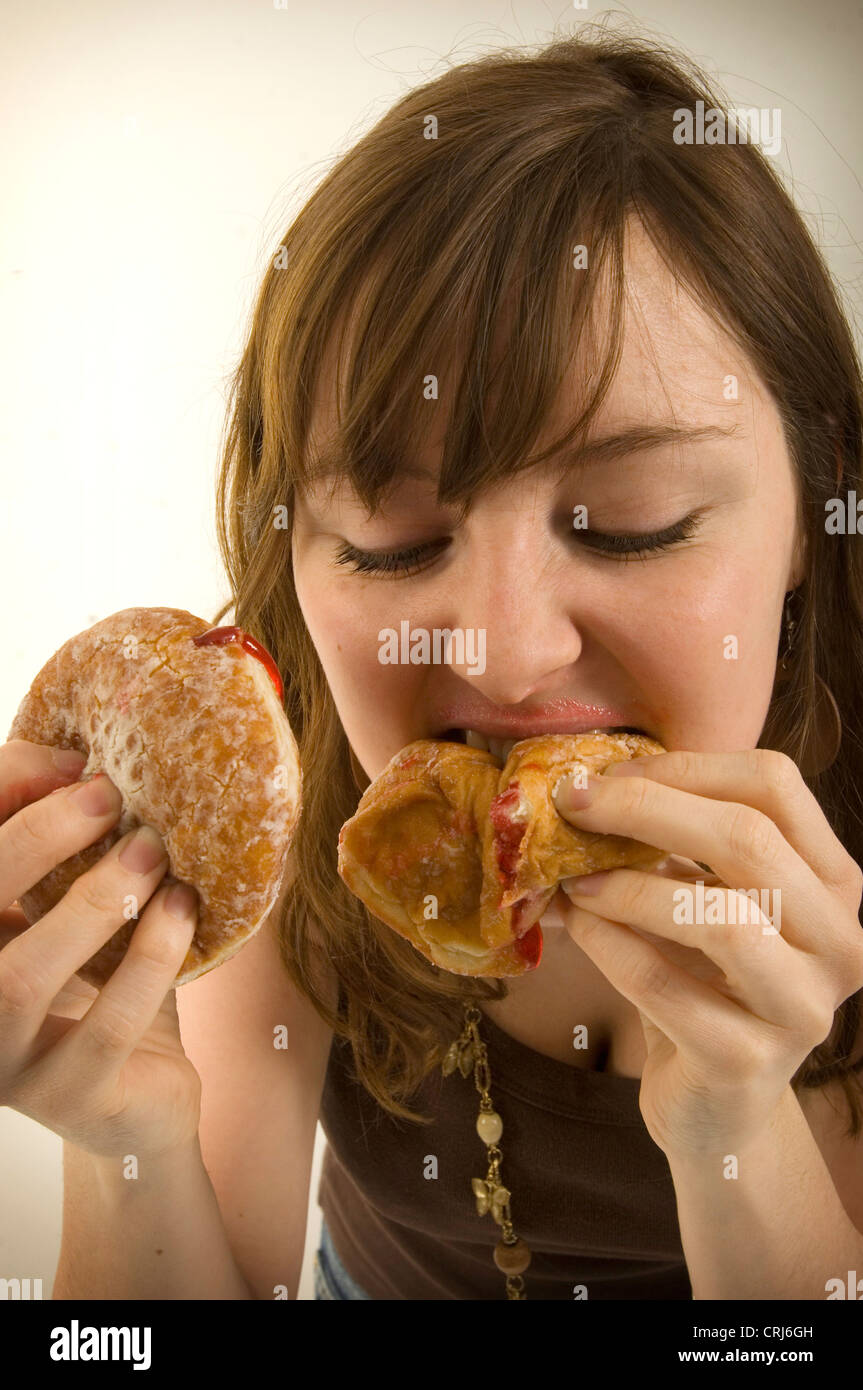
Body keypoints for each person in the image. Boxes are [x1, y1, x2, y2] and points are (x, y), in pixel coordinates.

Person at [3, 25, 863, 1301]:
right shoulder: (263, 811)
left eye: (629, 522)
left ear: (813, 510)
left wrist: (734, 1127)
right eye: (393, 545)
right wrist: (123, 1141)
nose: (508, 657)